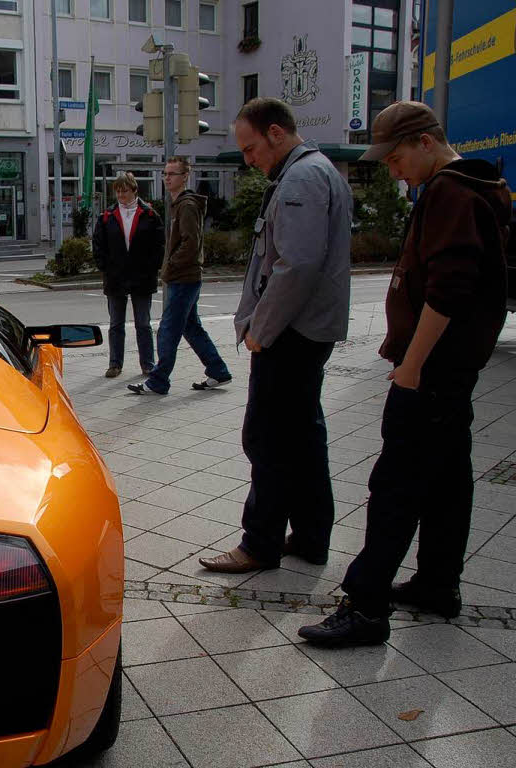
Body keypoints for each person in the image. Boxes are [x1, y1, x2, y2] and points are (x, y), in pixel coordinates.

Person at [300, 101, 512, 646]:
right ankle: (439, 585)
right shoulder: (477, 187)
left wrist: (412, 365)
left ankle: (366, 607)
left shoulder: (448, 192)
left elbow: (449, 288)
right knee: (446, 482)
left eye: (395, 159)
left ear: (424, 142)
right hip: (454, 371)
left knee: (395, 485)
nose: (393, 171)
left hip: (433, 371)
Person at [199, 97, 352, 574]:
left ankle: (259, 543)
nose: (248, 160)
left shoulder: (302, 178)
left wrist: (261, 332)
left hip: (291, 333)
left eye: (250, 149)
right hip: (304, 331)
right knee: (303, 436)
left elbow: (296, 264)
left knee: (267, 439)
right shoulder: (317, 171)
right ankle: (310, 536)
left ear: (276, 134)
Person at [128, 157, 232, 395]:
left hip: (183, 277)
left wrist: (171, 266)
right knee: (190, 327)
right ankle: (218, 370)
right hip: (185, 275)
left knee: (168, 329)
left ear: (185, 176)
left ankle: (158, 381)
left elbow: (190, 244)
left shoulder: (186, 205)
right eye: (165, 173)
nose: (167, 178)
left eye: (172, 174)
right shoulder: (180, 204)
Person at [92, 172, 165, 378]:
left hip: (142, 277)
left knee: (143, 323)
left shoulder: (149, 215)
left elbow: (158, 245)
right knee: (116, 324)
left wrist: (151, 268)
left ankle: (148, 364)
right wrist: (105, 267)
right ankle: (115, 364)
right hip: (115, 278)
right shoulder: (106, 216)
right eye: (117, 190)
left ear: (134, 190)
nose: (121, 194)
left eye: (124, 190)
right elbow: (98, 245)